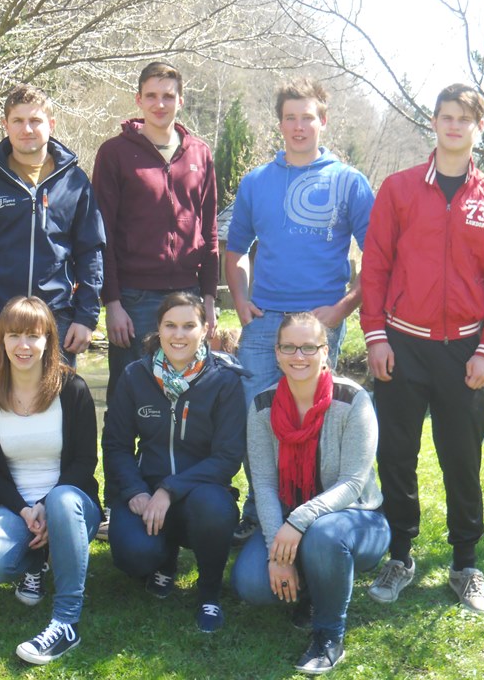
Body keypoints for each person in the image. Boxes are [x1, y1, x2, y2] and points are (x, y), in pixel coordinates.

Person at [360, 84, 484, 616]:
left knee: (461, 458)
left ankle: (465, 565)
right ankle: (399, 556)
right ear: (433, 122)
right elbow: (376, 265)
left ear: (479, 128)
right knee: (396, 455)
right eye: (446, 117)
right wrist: (376, 335)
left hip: (465, 352)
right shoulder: (399, 189)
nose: (454, 126)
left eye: (464, 119)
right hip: (402, 345)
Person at [225, 78, 374, 544]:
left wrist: (343, 308)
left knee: (314, 418)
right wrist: (242, 300)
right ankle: (258, 511)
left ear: (323, 121)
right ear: (280, 124)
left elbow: (379, 258)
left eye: (307, 117)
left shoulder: (348, 182)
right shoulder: (257, 182)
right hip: (264, 321)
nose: (298, 126)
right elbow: (235, 249)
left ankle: (312, 510)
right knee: (257, 417)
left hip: (318, 324)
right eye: (289, 117)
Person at [91, 60, 219, 541]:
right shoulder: (115, 153)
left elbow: (209, 231)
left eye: (168, 95)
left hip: (187, 295)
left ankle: (183, 496)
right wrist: (112, 301)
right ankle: (119, 502)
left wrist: (209, 298)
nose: (160, 103)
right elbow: (101, 234)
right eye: (151, 95)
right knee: (128, 402)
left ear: (180, 100)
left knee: (190, 402)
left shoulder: (199, 153)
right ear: (139, 100)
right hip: (135, 298)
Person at [231, 313, 389, 674]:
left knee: (322, 535)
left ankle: (329, 635)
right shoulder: (262, 406)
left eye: (308, 347)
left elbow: (352, 483)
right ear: (277, 353)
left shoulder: (353, 400)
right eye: (289, 347)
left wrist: (299, 521)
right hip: (289, 518)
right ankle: (314, 585)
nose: (298, 356)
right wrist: (277, 552)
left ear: (325, 351)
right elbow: (264, 484)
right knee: (251, 584)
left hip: (356, 520)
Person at [102, 291, 246, 633]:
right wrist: (135, 490)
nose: (178, 335)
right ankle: (163, 560)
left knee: (214, 511)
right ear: (159, 328)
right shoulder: (135, 375)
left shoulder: (224, 380)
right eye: (170, 325)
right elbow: (116, 444)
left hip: (202, 492)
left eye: (188, 326)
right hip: (146, 489)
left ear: (205, 329)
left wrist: (170, 489)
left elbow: (227, 457)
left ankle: (209, 593)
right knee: (133, 554)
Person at [0, 296, 101, 665]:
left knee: (61, 501)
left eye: (33, 335)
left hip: (71, 505)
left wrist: (45, 505)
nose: (23, 345)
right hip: (17, 507)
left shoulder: (72, 389)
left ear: (48, 340)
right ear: (1, 340)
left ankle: (66, 622)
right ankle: (35, 562)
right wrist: (26, 510)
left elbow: (85, 463)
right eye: (14, 335)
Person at [0, 84, 104, 371]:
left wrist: (86, 317)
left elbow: (91, 252)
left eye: (35, 120)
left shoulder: (75, 182)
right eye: (18, 121)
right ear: (5, 125)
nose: (27, 129)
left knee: (56, 397)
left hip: (57, 317)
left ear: (51, 124)